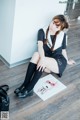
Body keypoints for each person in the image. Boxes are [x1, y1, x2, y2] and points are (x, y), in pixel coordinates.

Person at [14, 14, 75, 98]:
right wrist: (42, 59)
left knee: (44, 60)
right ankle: (25, 84)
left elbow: (63, 50)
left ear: (60, 29)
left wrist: (67, 61)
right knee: (36, 54)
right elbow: (40, 46)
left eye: (57, 27)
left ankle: (29, 89)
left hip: (58, 62)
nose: (53, 26)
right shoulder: (42, 31)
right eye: (53, 23)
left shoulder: (62, 36)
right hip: (47, 61)